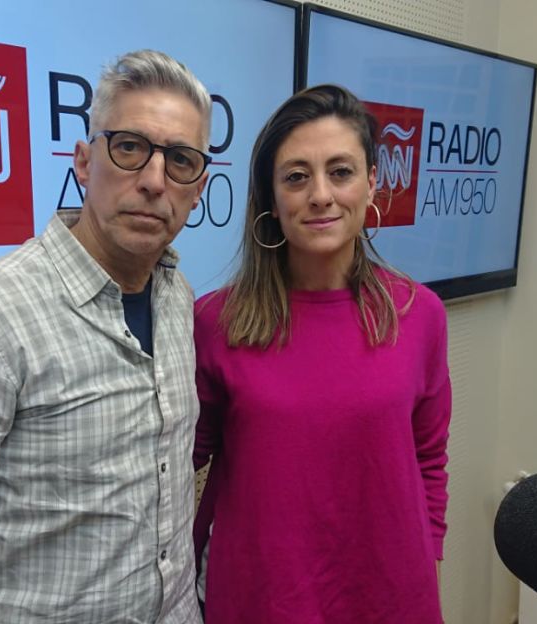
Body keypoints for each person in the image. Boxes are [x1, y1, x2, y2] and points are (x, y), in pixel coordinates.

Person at [0, 49, 212, 624]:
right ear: (83, 162)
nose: (155, 181)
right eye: (129, 148)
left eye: (180, 160)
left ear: (198, 187)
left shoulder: (177, 299)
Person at [192, 84, 452, 623]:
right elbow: (180, 467)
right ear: (271, 196)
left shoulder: (420, 314)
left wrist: (425, 556)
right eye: (296, 176)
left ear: (372, 182)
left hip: (390, 595)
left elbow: (428, 458)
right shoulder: (217, 322)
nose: (320, 195)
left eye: (340, 171)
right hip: (261, 597)